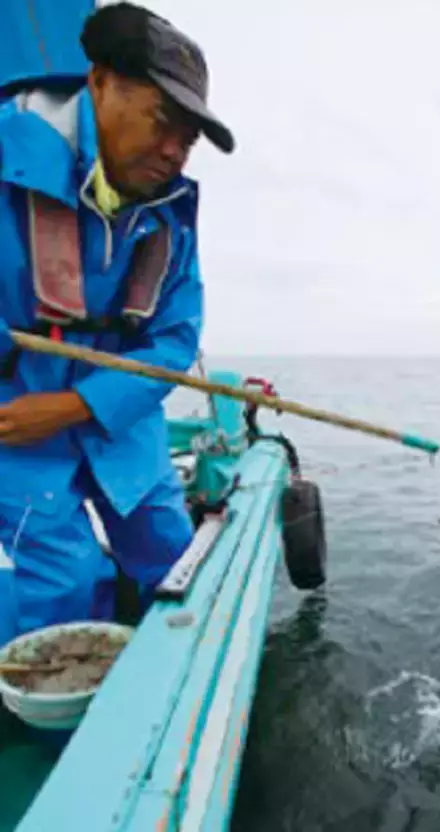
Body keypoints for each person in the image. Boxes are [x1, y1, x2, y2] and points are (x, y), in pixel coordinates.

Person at [0, 1, 235, 645]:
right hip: (14, 425)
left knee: (173, 550)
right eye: (162, 121)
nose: (174, 152)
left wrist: (78, 406)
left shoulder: (171, 214)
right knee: (63, 578)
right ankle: (63, 701)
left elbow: (175, 338)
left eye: (189, 138)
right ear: (100, 81)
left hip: (118, 421)